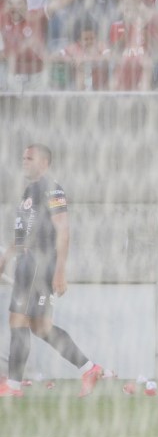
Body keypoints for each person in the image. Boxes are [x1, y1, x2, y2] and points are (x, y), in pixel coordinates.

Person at [0, 144, 102, 398]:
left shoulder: (52, 188)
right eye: (22, 157)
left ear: (44, 162)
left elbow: (63, 229)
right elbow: (27, 232)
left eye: (30, 157)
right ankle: (90, 369)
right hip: (28, 262)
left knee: (18, 320)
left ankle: (12, 386)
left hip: (39, 264)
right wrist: (7, 256)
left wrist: (60, 271)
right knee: (41, 326)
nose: (24, 161)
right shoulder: (29, 190)